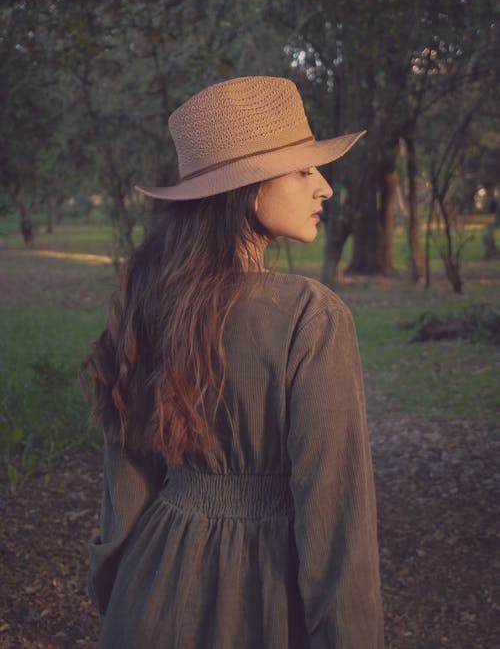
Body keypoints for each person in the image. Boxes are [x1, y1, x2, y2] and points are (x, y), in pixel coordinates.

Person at [81, 76, 384, 648]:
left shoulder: (146, 298)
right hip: (267, 603)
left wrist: (118, 597)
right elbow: (336, 522)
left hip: (147, 599)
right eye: (302, 169)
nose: (325, 187)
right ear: (247, 186)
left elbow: (123, 493)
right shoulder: (311, 316)